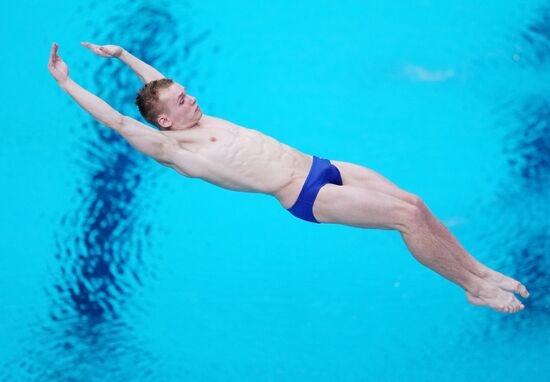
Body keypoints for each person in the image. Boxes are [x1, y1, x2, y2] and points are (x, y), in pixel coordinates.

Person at [48, 42, 529, 313]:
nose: (191, 100)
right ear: (166, 123)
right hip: (305, 194)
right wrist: (69, 82)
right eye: (181, 102)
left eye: (188, 94)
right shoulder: (173, 147)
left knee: (416, 203)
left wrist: (125, 55)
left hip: (322, 164)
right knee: (405, 217)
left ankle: (478, 271)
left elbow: (159, 88)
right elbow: (120, 120)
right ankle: (472, 288)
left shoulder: (196, 117)